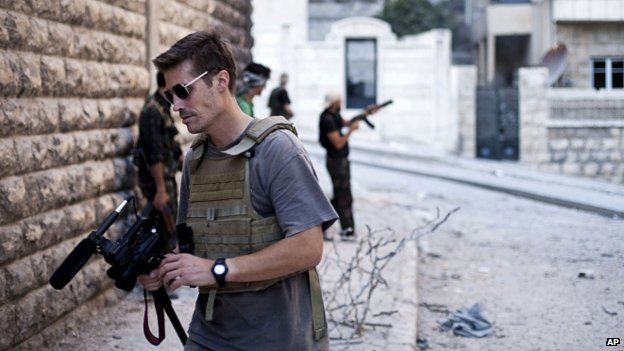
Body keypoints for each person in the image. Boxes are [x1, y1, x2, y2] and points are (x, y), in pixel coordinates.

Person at [137, 31, 337, 350]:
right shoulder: (195, 160)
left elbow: (309, 247)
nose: (176, 105)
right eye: (169, 96)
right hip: (210, 335)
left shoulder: (278, 150)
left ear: (220, 81)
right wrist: (166, 269)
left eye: (182, 91)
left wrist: (217, 269)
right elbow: (196, 248)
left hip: (279, 339)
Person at [318, 92, 378, 241]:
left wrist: (365, 112)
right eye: (339, 101)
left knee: (342, 195)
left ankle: (338, 227)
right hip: (336, 161)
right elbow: (338, 143)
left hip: (340, 161)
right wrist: (351, 130)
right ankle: (343, 229)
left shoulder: (334, 115)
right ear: (334, 103)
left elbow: (346, 122)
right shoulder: (327, 119)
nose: (342, 104)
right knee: (343, 196)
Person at [134, 71, 182, 250]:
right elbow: (154, 153)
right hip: (157, 183)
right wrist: (160, 190)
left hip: (165, 179)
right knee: (165, 233)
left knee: (170, 229)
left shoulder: (163, 107)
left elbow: (168, 143)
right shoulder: (152, 111)